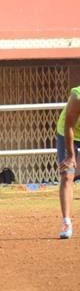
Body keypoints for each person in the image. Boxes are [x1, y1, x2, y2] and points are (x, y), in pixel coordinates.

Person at [56, 86, 80, 240]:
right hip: (69, 133)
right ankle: (66, 222)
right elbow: (69, 125)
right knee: (67, 174)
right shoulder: (77, 96)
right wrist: (71, 156)